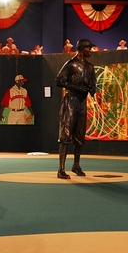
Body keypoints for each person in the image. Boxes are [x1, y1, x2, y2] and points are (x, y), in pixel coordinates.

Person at [54, 38, 97, 179]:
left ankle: (76, 165)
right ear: (81, 49)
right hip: (71, 101)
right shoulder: (71, 64)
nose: (90, 51)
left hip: (82, 102)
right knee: (65, 134)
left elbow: (93, 82)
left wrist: (92, 89)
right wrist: (75, 87)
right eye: (88, 48)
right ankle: (61, 169)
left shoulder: (90, 67)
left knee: (79, 136)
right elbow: (59, 80)